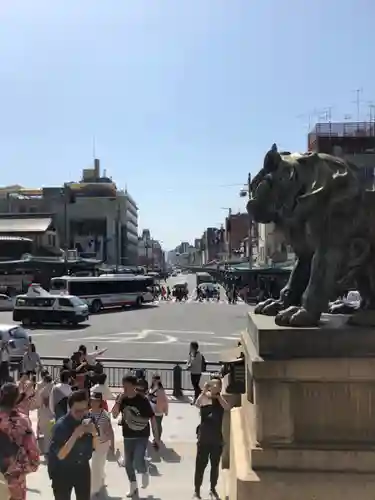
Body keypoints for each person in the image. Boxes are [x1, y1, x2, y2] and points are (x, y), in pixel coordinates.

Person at [112, 374, 160, 498]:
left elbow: (152, 418)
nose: (124, 389)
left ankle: (144, 471)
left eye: (127, 387)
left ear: (134, 386)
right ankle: (133, 487)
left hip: (142, 435)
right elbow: (114, 415)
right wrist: (118, 401)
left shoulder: (142, 400)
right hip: (128, 435)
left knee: (138, 458)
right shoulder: (122, 399)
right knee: (128, 464)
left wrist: (156, 437)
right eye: (123, 387)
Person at [48, 389, 98, 500]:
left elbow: (95, 447)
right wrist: (75, 434)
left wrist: (94, 433)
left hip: (82, 467)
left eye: (84, 409)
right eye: (77, 410)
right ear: (70, 408)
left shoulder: (88, 420)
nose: (81, 413)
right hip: (62, 470)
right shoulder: (60, 426)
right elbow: (61, 455)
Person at [0, 383, 40, 500]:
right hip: (15, 476)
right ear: (16, 398)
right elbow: (32, 449)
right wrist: (31, 466)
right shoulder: (22, 420)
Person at [193, 378, 229, 499]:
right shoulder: (205, 398)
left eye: (216, 385)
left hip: (216, 439)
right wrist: (204, 391)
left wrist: (218, 396)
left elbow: (227, 407)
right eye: (212, 384)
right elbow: (197, 404)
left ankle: (213, 488)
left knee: (215, 465)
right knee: (200, 465)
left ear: (220, 387)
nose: (214, 387)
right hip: (203, 438)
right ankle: (197, 490)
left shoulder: (220, 400)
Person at [89, 390, 114, 498]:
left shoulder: (105, 414)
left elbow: (110, 430)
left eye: (96, 401)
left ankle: (95, 488)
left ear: (100, 402)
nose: (93, 402)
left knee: (97, 465)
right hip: (91, 444)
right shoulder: (87, 413)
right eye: (92, 400)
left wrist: (112, 445)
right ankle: (98, 484)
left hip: (102, 444)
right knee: (96, 466)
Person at [36, 372, 54, 454]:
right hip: (53, 414)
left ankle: (47, 450)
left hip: (44, 414)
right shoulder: (55, 389)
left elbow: (39, 404)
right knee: (52, 432)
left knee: (46, 434)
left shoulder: (41, 391)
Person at [148, 374, 168, 445]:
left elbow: (165, 401)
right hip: (151, 408)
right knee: (153, 425)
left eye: (156, 379)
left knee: (158, 425)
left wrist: (165, 410)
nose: (154, 381)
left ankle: (158, 438)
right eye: (153, 379)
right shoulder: (151, 388)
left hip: (158, 409)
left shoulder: (160, 390)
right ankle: (155, 438)